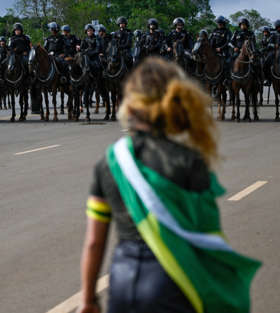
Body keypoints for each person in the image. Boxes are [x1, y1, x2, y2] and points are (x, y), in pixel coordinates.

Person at [76, 58, 261, 313]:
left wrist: (88, 300)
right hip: (174, 282)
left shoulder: (109, 161)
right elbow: (207, 235)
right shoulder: (189, 160)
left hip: (123, 281)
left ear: (130, 107)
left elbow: (94, 243)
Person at [228, 17, 261, 84]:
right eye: (242, 25)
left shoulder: (250, 33)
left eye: (244, 25)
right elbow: (230, 43)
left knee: (257, 64)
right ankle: (228, 80)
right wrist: (234, 47)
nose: (243, 26)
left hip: (248, 54)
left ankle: (256, 79)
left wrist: (244, 50)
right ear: (240, 26)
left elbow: (253, 42)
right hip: (237, 53)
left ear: (247, 26)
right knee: (228, 63)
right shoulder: (236, 33)